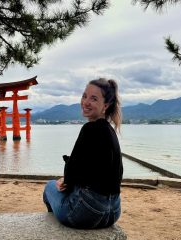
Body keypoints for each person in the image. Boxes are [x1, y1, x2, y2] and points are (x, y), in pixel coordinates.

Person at [43, 78, 123, 229]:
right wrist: (69, 180)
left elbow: (71, 172)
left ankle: (54, 231)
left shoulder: (89, 129)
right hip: (113, 212)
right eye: (84, 96)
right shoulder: (110, 131)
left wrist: (64, 180)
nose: (86, 102)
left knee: (49, 187)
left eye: (93, 99)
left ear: (105, 105)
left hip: (87, 212)